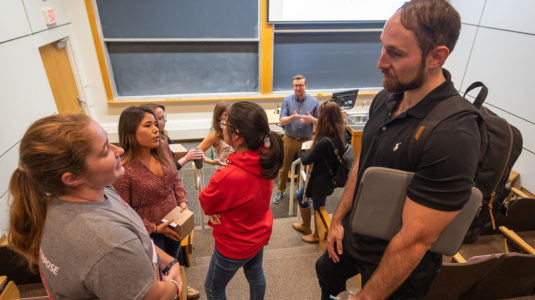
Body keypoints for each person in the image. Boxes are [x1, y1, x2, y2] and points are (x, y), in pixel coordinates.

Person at [315, 1, 481, 299]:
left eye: (396, 53)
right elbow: (361, 167)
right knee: (325, 271)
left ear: (437, 56)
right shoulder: (387, 97)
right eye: (383, 46)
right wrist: (338, 220)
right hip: (358, 232)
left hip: (402, 261)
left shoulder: (454, 135)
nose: (380, 62)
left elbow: (413, 242)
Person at [8, 114, 182, 299]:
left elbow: (137, 241)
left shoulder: (99, 189)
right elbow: (152, 296)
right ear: (73, 178)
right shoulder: (108, 241)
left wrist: (170, 262)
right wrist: (176, 285)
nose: (119, 150)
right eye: (105, 150)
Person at [199, 101, 283, 300]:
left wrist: (217, 210)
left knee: (213, 289)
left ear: (236, 135)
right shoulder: (266, 160)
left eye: (225, 125)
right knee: (255, 275)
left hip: (233, 244)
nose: (222, 129)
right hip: (258, 235)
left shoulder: (226, 177)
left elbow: (206, 202)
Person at [113, 106, 188, 262]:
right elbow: (124, 210)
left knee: (173, 261)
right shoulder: (123, 169)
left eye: (155, 124)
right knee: (157, 270)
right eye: (148, 125)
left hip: (173, 219)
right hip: (149, 231)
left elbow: (175, 178)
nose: (156, 129)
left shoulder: (164, 148)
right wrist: (155, 228)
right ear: (131, 131)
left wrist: (182, 201)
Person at [292, 101, 347, 243]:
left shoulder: (324, 141)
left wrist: (303, 149)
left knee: (318, 207)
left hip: (320, 181)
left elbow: (305, 160)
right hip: (326, 177)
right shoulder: (340, 133)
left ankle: (317, 234)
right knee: (301, 196)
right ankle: (306, 226)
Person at [273, 74, 320, 204]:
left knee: (304, 168)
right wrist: (292, 118)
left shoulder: (314, 101)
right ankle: (281, 191)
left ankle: (302, 192)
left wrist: (311, 119)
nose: (298, 88)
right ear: (293, 86)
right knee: (284, 167)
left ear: (305, 86)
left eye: (300, 85)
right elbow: (282, 120)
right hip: (289, 139)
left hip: (306, 140)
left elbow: (321, 123)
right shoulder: (287, 100)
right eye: (295, 85)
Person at [140, 103, 204, 171]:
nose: (165, 120)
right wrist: (185, 159)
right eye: (161, 118)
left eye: (164, 117)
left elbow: (177, 150)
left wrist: (192, 154)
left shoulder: (163, 136)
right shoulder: (150, 144)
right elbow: (167, 172)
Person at [197, 102, 233, 168]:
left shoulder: (235, 130)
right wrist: (212, 162)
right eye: (225, 115)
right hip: (224, 170)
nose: (229, 118)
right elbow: (196, 152)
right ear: (219, 117)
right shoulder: (215, 135)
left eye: (231, 114)